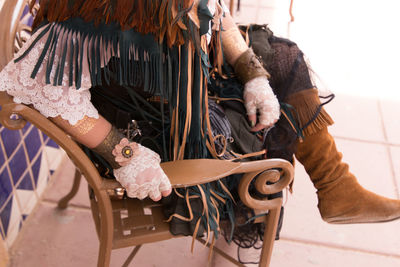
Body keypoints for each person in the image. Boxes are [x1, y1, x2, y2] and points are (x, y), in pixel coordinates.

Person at [1, 0, 400, 252]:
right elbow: (42, 83)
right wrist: (125, 154)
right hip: (145, 121)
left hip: (176, 75)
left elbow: (215, 15)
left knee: (281, 57)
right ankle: (334, 188)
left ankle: (336, 187)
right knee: (267, 128)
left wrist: (252, 74)